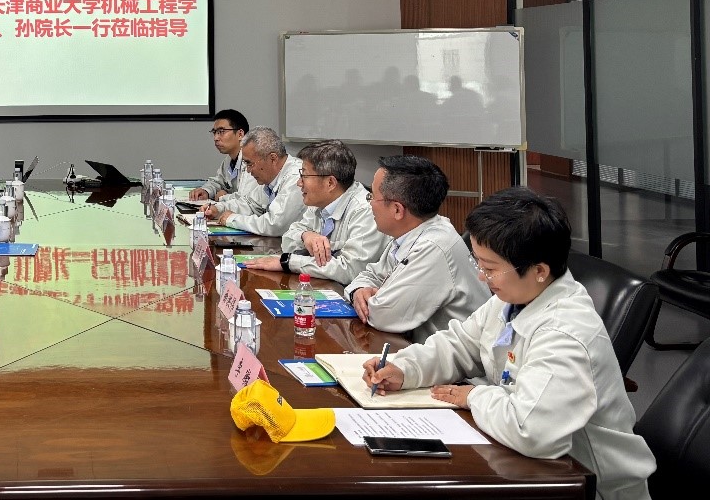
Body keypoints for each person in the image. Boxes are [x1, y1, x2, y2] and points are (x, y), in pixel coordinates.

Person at [363, 189, 655, 500]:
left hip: (586, 485)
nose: (481, 277)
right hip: (523, 462)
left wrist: (474, 396)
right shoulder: (515, 297)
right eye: (479, 264)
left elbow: (532, 432)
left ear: (539, 271)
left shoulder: (565, 333)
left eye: (489, 269)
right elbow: (461, 343)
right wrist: (405, 368)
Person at [343, 155, 488, 341]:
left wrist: (370, 298)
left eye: (372, 196)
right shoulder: (412, 233)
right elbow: (369, 275)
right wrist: (359, 290)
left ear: (397, 210)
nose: (369, 203)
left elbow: (384, 315)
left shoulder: (434, 246)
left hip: (452, 356)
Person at [245, 139, 383, 283]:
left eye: (304, 176)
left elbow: (349, 270)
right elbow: (287, 240)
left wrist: (288, 262)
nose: (299, 183)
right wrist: (306, 235)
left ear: (330, 183)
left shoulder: (365, 211)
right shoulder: (319, 203)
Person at [201, 127, 304, 237]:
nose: (248, 170)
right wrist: (218, 209)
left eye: (250, 164)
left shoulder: (296, 178)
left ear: (273, 159)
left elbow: (275, 224)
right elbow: (250, 204)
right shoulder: (271, 178)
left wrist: (233, 219)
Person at [188, 109, 252, 201]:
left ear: (240, 134)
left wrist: (224, 197)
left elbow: (246, 199)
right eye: (214, 132)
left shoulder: (251, 161)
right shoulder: (229, 160)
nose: (216, 138)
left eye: (221, 132)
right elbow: (218, 182)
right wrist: (206, 191)